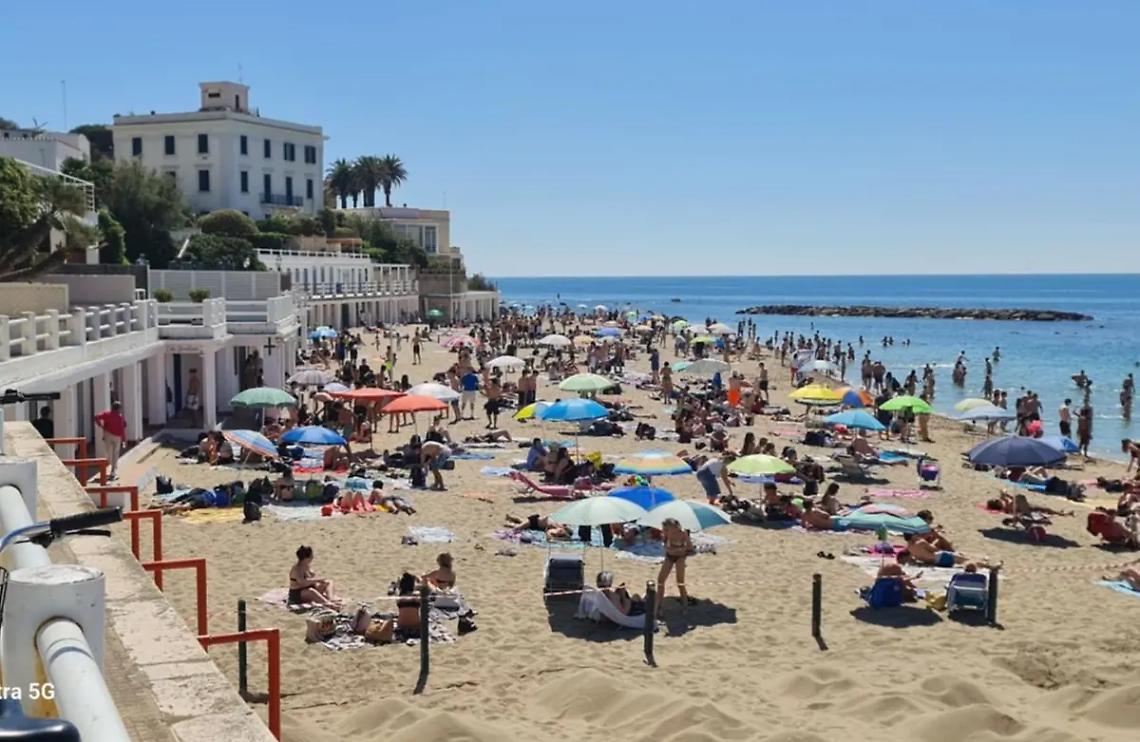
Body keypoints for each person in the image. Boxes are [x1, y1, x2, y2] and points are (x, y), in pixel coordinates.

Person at [656, 518, 694, 613]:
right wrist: (667, 542)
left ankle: (685, 606)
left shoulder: (683, 534)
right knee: (660, 581)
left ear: (675, 528)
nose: (665, 531)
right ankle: (659, 604)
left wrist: (682, 549)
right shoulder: (666, 535)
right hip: (669, 556)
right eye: (665, 529)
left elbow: (690, 547)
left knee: (680, 582)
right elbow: (665, 546)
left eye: (667, 529)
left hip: (680, 558)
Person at [898, 534, 998, 570]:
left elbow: (914, 559)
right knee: (966, 560)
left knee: (960, 558)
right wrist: (935, 541)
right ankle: (989, 566)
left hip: (934, 563)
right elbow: (935, 550)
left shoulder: (909, 548)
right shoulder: (920, 542)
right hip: (940, 557)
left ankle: (983, 562)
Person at [94, 401, 127, 480]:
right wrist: (124, 440)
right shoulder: (120, 417)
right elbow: (123, 429)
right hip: (117, 437)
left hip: (108, 435)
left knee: (108, 453)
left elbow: (96, 417)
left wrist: (100, 425)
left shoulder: (107, 414)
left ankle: (109, 469)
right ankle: (113, 471)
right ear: (119, 409)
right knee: (115, 453)